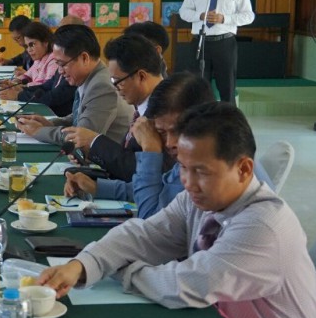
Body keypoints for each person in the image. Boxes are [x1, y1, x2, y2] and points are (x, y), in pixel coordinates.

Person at [40, 103, 316, 318]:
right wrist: (82, 264)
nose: (189, 183)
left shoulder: (263, 225)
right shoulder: (200, 199)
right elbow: (144, 234)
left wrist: (121, 269)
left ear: (244, 169)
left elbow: (188, 284)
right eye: (183, 168)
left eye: (202, 172)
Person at [65, 72, 214, 219]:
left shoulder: (205, 169)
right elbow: (155, 188)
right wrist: (96, 187)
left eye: (177, 130)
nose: (170, 143)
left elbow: (150, 217)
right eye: (162, 132)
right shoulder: (181, 166)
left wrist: (150, 150)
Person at [63, 35, 167, 182]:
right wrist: (91, 153)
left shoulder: (166, 111)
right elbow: (127, 157)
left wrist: (94, 142)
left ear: (141, 76)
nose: (115, 87)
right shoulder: (143, 105)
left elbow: (142, 170)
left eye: (117, 81)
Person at [17, 24, 133, 145]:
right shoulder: (91, 74)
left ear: (84, 58)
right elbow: (80, 115)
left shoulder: (102, 86)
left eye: (62, 64)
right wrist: (50, 124)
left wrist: (38, 131)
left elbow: (81, 136)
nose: (60, 71)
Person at [179, 0, 255, 105]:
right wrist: (200, 16)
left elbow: (249, 16)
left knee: (227, 86)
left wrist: (224, 18)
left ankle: (228, 118)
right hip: (200, 42)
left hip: (224, 43)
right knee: (198, 87)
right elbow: (183, 12)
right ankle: (200, 117)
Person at [0, 22, 58, 100]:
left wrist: (21, 87)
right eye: (27, 46)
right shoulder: (39, 59)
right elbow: (27, 75)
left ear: (45, 42)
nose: (29, 50)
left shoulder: (54, 60)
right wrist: (14, 82)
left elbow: (45, 86)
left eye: (32, 45)